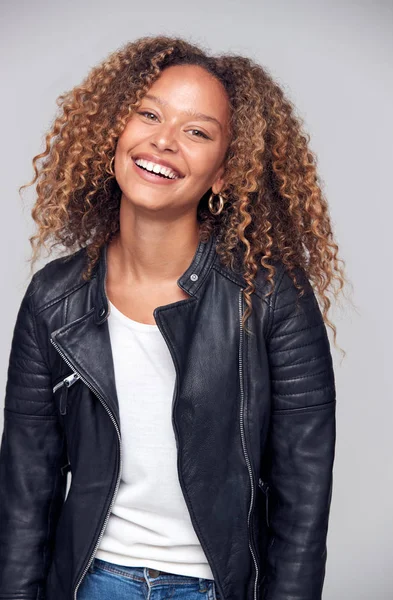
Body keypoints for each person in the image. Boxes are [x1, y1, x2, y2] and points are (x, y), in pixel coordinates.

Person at [0, 35, 347, 600]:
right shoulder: (54, 298)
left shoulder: (271, 296)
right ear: (115, 132)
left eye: (197, 131)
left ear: (224, 174)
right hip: (92, 582)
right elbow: (25, 491)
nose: (163, 141)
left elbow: (302, 498)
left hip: (215, 587)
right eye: (149, 114)